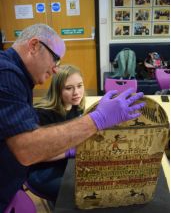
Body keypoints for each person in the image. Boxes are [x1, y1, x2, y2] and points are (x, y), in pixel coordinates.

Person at [0, 23, 145, 211]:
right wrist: (98, 118)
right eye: (55, 59)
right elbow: (27, 150)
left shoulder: (16, 77)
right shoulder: (6, 74)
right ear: (34, 46)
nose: (54, 69)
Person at [26, 65, 85, 202]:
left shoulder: (75, 107)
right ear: (57, 89)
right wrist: (69, 151)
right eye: (69, 88)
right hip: (42, 171)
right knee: (79, 192)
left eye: (79, 86)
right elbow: (36, 155)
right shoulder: (43, 114)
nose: (76, 92)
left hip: (66, 163)